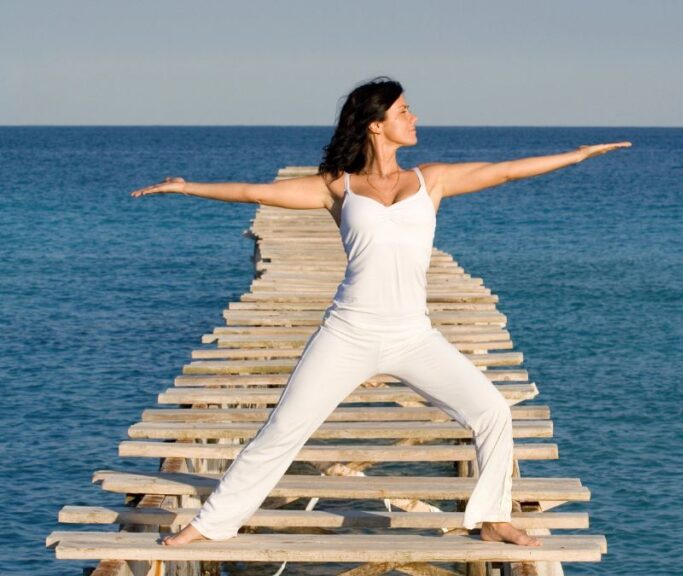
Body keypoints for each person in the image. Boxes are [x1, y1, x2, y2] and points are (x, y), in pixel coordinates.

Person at [131, 76, 630, 547]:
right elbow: (254, 192)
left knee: (493, 410)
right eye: (403, 110)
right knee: (283, 430)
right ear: (376, 123)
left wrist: (576, 155)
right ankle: (211, 525)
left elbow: (502, 170)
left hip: (413, 336)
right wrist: (186, 185)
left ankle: (492, 519)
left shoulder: (429, 180)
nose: (414, 117)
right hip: (347, 333)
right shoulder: (338, 187)